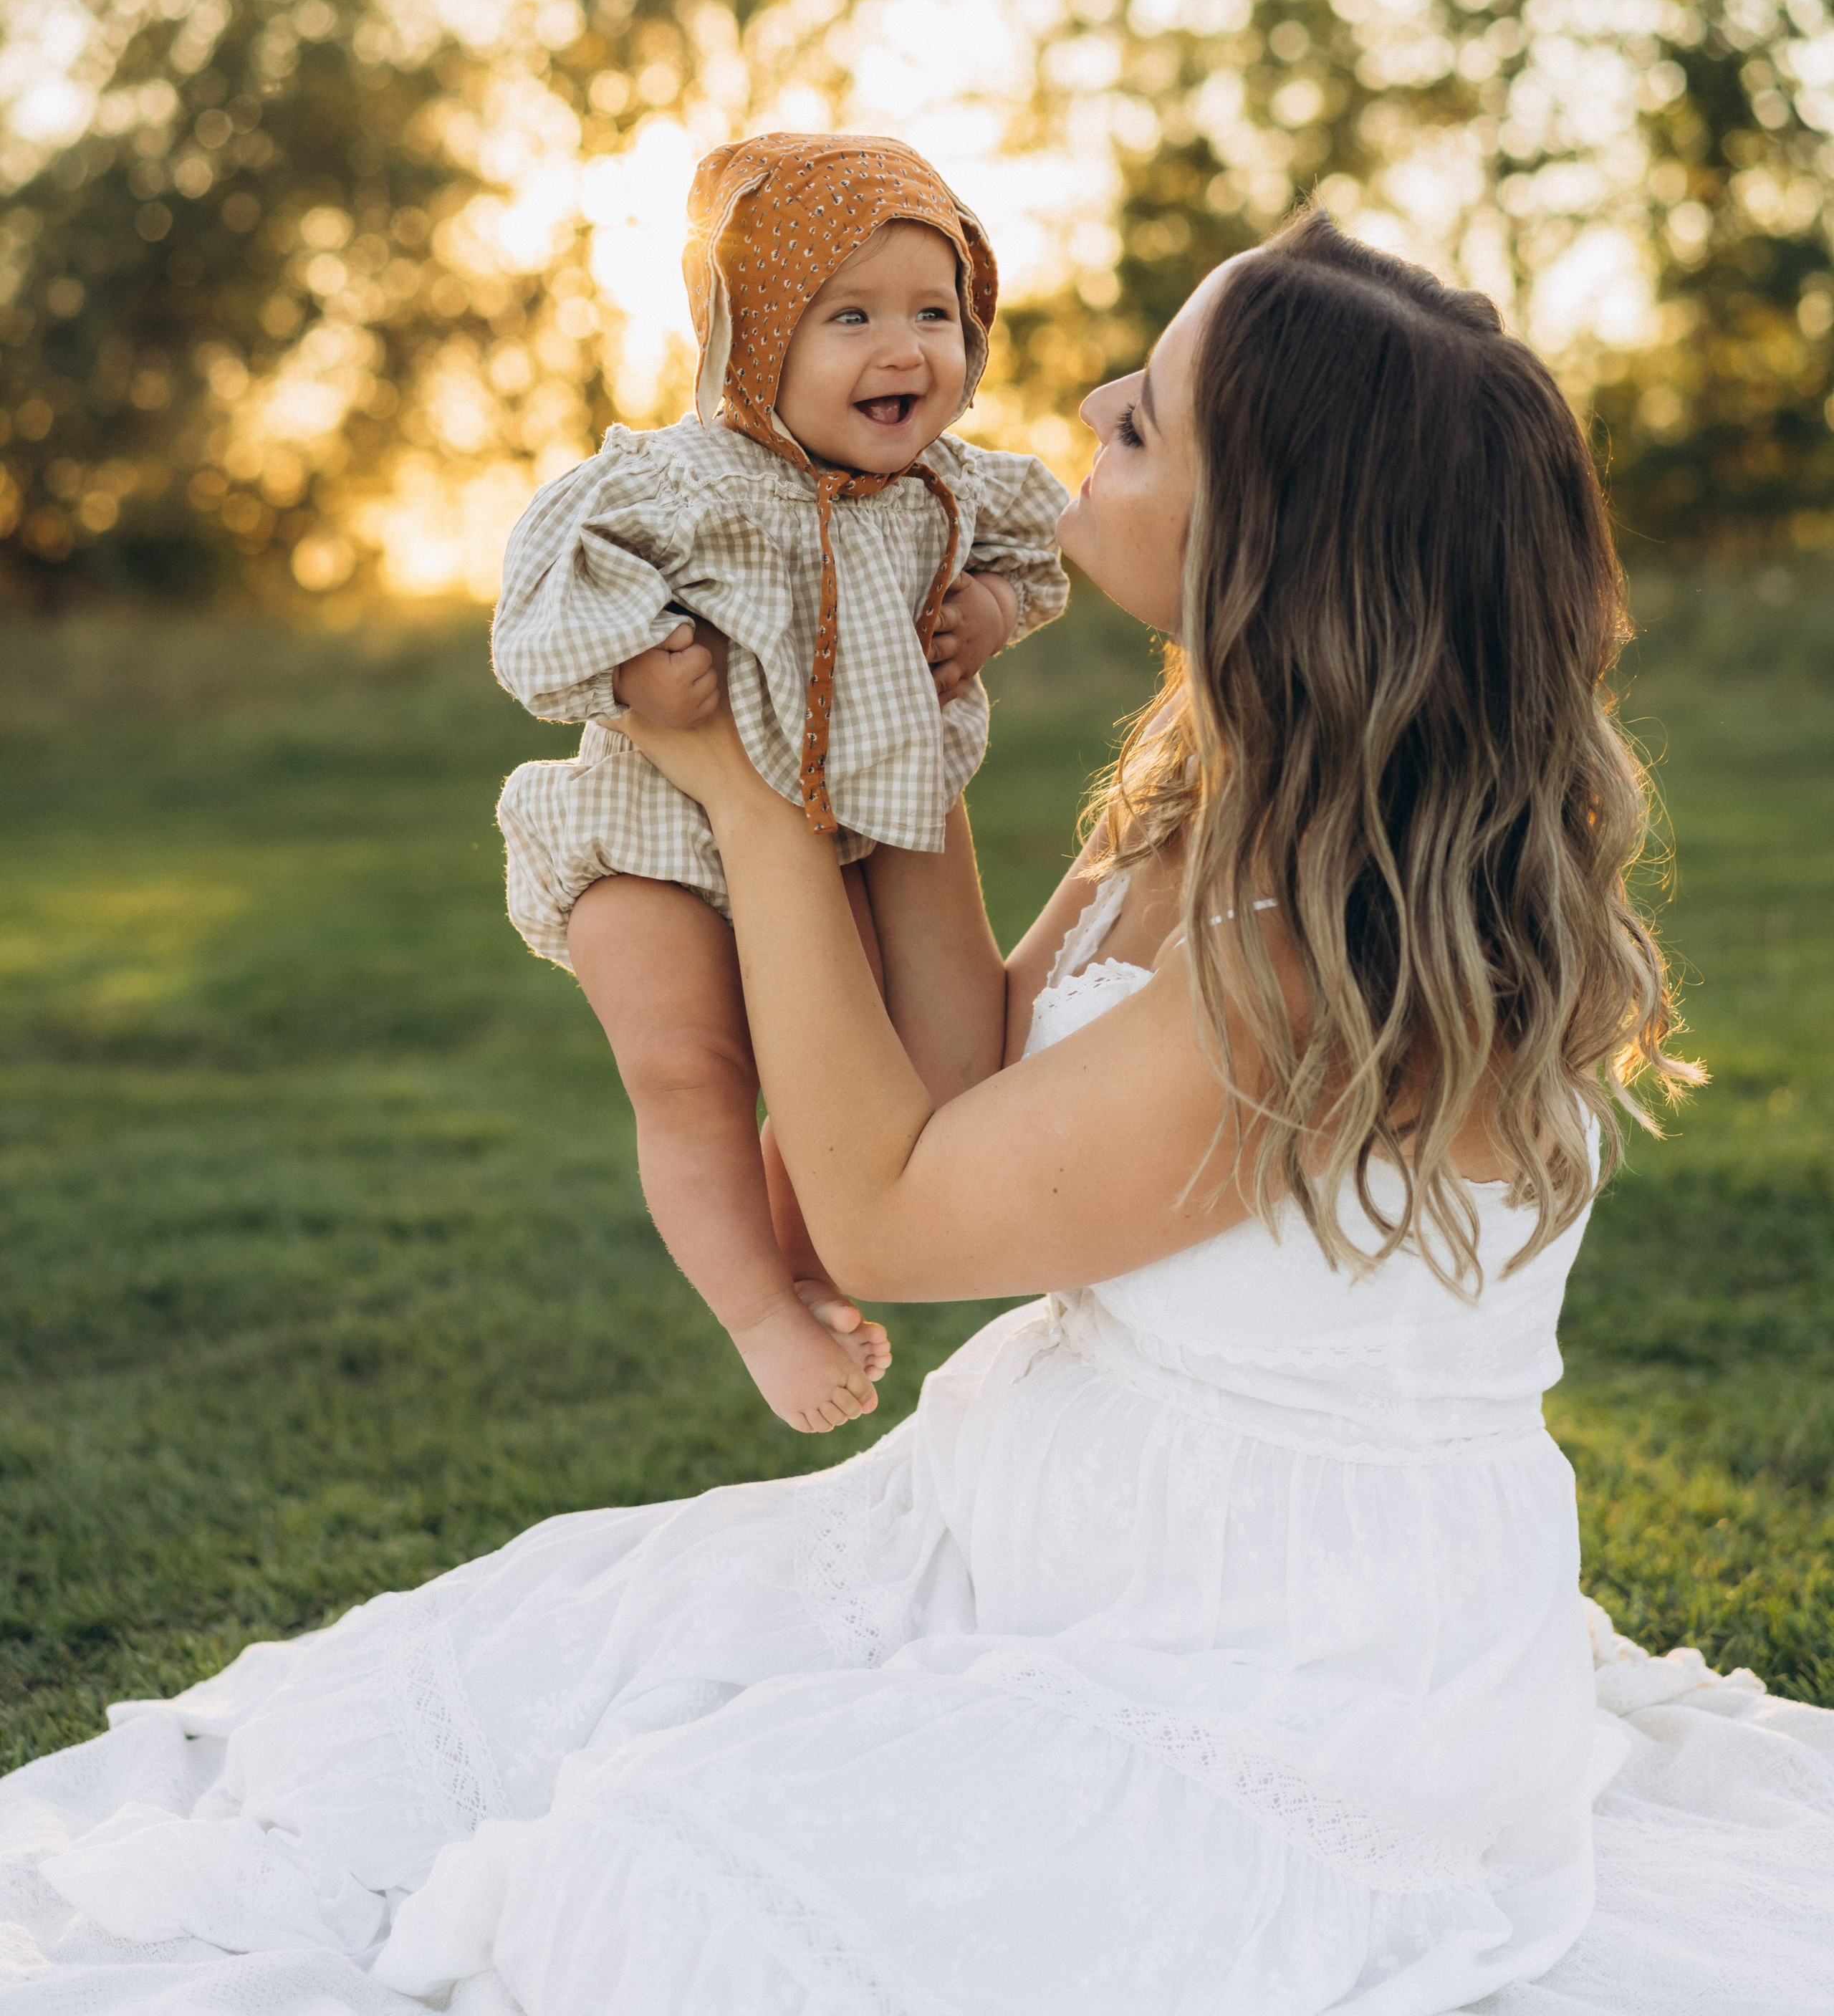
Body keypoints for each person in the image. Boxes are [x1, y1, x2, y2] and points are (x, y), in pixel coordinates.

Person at [6, 211, 1831, 2015]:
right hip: (1035, 1520)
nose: (1091, 399)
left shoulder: (1322, 970)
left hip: (1277, 1657)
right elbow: (936, 1107)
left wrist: (736, 785)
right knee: (489, 1701)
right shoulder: (1209, 814)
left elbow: (873, 1222)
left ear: (1261, 547)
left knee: (667, 1885)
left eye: (1143, 422)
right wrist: (872, 710)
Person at [491, 132, 1067, 1430]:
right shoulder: (686, 480)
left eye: (937, 312)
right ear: (754, 341)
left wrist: (986, 610)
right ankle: (757, 1315)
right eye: (847, 316)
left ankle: (808, 1260)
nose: (904, 348)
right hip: (650, 841)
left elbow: (1044, 557)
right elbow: (540, 603)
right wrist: (637, 670)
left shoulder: (946, 490)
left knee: (848, 1076)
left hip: (830, 848)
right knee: (690, 1069)